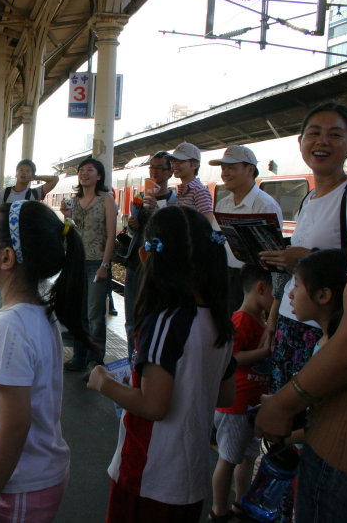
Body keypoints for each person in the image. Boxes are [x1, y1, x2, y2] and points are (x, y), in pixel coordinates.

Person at [87, 205, 235, 522]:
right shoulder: (220, 323)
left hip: (149, 473)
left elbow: (154, 406)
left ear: (145, 257)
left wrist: (104, 382)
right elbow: (226, 397)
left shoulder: (166, 322)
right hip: (191, 477)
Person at [255, 131, 347, 523]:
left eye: (335, 134)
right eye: (313, 133)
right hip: (297, 330)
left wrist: (287, 401)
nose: (321, 142)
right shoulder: (313, 197)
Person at [0, 200, 92, 523]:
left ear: (6, 257)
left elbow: (14, 425)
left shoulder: (9, 328)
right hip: (34, 478)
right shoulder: (39, 313)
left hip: (18, 486)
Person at [210, 265, 273, 522]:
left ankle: (240, 503)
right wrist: (263, 353)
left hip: (249, 406)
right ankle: (219, 510)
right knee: (228, 459)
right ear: (261, 288)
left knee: (247, 457)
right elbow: (232, 356)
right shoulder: (242, 319)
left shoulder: (260, 320)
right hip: (235, 406)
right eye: (274, 293)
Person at [59, 156, 117, 373]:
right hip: (76, 262)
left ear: (99, 175)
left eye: (89, 170)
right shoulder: (74, 201)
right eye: (82, 170)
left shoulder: (107, 200)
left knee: (94, 314)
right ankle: (79, 356)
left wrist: (105, 264)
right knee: (78, 313)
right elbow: (70, 233)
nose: (84, 173)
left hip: (96, 264)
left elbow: (111, 235)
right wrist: (67, 217)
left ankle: (95, 360)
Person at [210, 145, 283, 314]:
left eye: (231, 168)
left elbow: (272, 254)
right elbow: (217, 239)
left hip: (250, 282)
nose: (225, 173)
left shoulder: (265, 205)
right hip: (224, 276)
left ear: (250, 170)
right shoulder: (223, 204)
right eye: (223, 168)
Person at [124, 151, 175, 358]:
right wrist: (132, 225)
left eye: (160, 168)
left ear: (170, 172)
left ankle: (148, 362)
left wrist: (157, 210)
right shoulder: (139, 197)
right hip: (136, 263)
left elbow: (171, 232)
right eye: (152, 168)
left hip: (159, 268)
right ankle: (131, 362)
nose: (154, 172)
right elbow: (135, 230)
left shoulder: (173, 201)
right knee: (132, 319)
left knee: (154, 318)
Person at [167, 142, 216, 224]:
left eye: (180, 161)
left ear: (195, 165)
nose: (175, 165)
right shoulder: (182, 190)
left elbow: (208, 223)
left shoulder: (199, 191)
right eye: (173, 161)